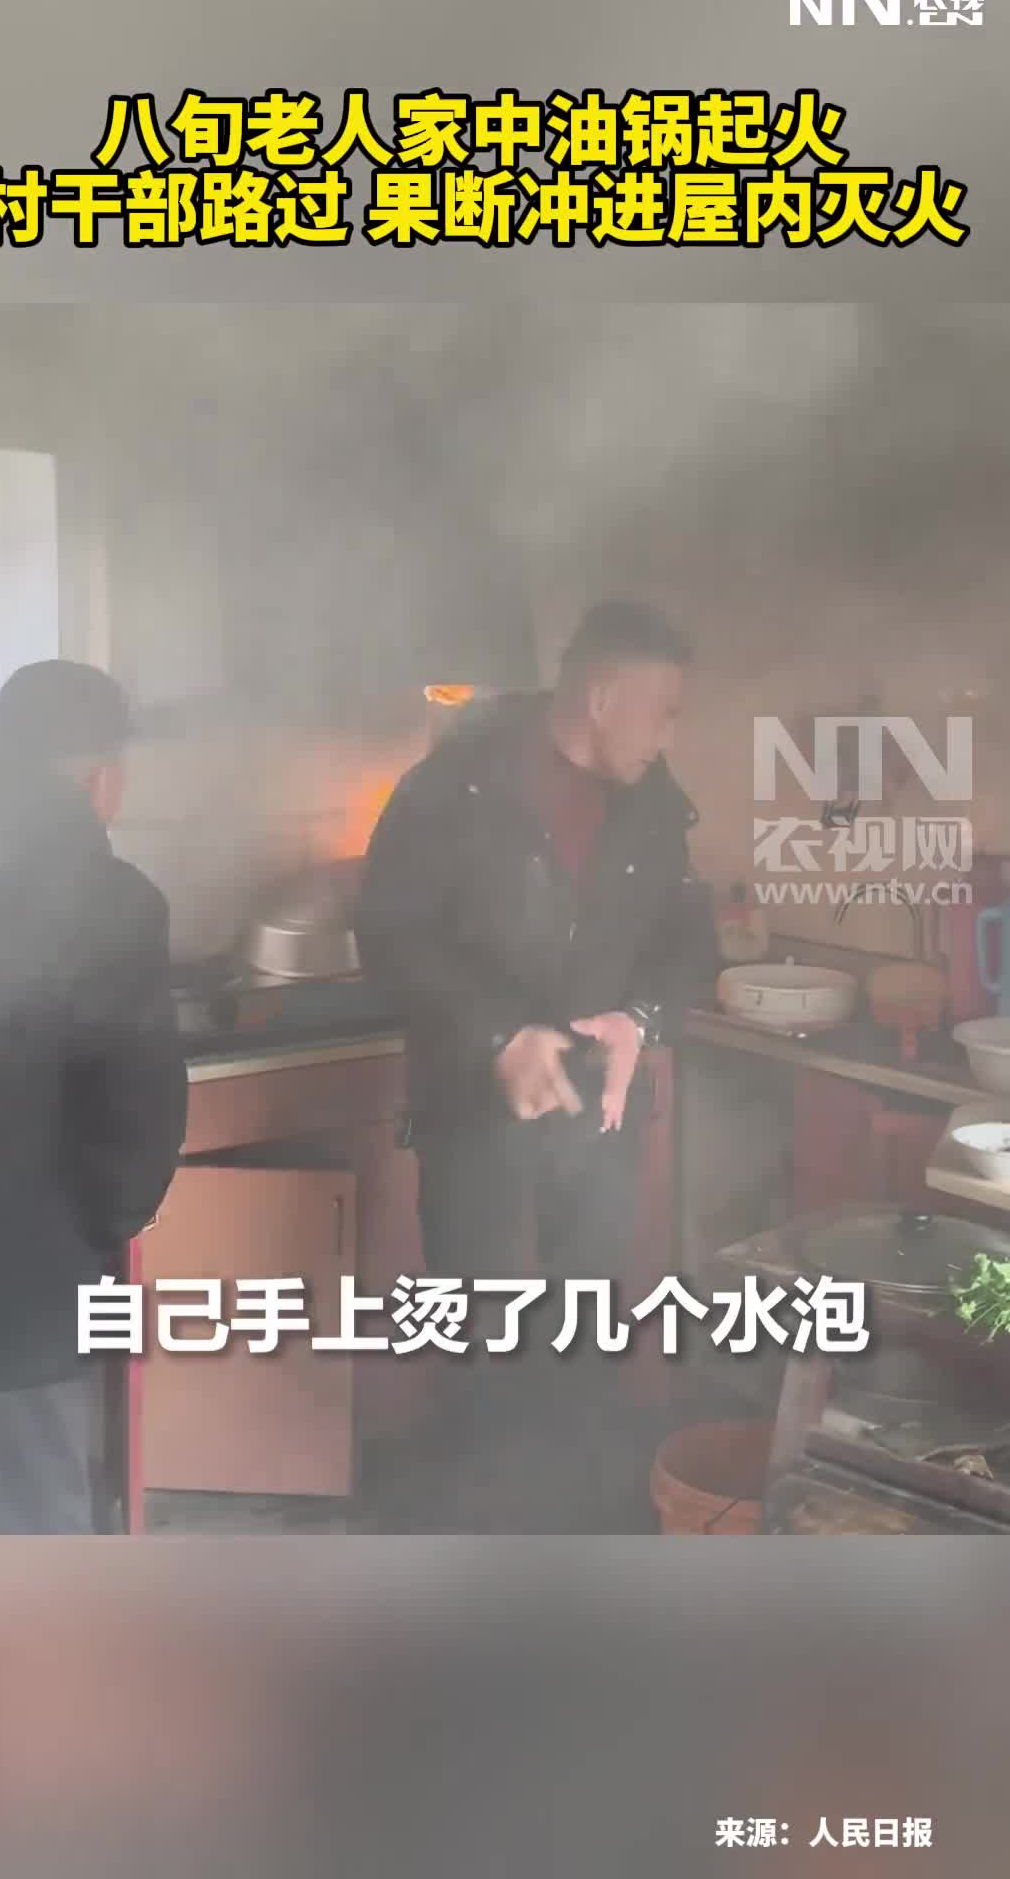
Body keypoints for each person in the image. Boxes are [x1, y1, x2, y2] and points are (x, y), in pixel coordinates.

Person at [355, 601, 715, 1530]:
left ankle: (579, 1533)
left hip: (599, 1112)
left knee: (586, 1328)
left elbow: (689, 943)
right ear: (602, 696)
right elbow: (389, 937)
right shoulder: (453, 787)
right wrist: (497, 1035)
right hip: (474, 1114)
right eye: (664, 710)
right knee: (478, 1327)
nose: (670, 734)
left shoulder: (652, 801)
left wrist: (642, 1020)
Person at [0, 661, 187, 1533]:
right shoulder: (108, 903)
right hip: (16, 1297)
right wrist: (99, 1223)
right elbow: (137, 1109)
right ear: (99, 780)